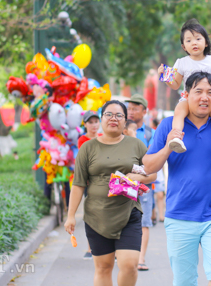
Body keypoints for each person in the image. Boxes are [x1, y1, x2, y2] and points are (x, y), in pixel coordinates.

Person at [144, 72, 211, 286]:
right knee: (184, 281)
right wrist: (167, 147)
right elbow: (148, 167)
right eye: (198, 91)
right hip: (179, 216)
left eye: (210, 92)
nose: (205, 97)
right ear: (186, 94)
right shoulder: (169, 125)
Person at [64, 100, 156, 286]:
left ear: (125, 120)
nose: (113, 119)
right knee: (104, 267)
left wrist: (138, 178)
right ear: (101, 118)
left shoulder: (136, 145)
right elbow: (79, 184)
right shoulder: (87, 148)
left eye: (119, 115)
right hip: (97, 216)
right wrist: (71, 215)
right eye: (109, 114)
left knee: (129, 265)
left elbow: (152, 172)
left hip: (129, 213)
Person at [158, 19, 211, 164]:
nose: (194, 43)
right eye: (189, 40)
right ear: (184, 46)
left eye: (198, 39)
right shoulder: (181, 62)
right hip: (188, 100)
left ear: (206, 42)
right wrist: (165, 78)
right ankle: (176, 138)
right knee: (179, 112)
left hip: (209, 102)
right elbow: (175, 85)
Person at [127, 93, 156, 272]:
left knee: (143, 222)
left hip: (143, 185)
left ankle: (140, 258)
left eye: (135, 109)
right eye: (129, 108)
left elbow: (151, 161)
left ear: (144, 111)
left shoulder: (150, 134)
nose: (131, 112)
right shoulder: (119, 129)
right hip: (120, 184)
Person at [76, 111, 101, 260]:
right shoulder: (82, 140)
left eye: (96, 122)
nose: (94, 125)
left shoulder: (103, 138)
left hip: (104, 181)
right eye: (90, 122)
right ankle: (91, 247)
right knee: (91, 214)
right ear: (85, 124)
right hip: (89, 182)